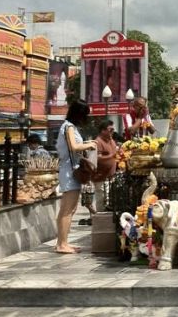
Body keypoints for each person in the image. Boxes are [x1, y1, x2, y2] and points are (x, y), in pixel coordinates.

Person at [55, 99, 96, 254]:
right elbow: (73, 146)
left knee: (68, 209)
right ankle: (62, 244)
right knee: (68, 209)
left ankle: (62, 242)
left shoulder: (68, 127)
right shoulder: (69, 127)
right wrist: (88, 145)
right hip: (70, 171)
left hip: (69, 169)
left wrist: (86, 142)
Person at [93, 119, 118, 212]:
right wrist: (112, 156)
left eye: (113, 129)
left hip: (111, 177)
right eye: (110, 129)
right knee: (102, 200)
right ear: (103, 130)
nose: (112, 131)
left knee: (108, 201)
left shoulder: (111, 140)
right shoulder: (98, 142)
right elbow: (97, 158)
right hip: (101, 178)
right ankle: (101, 220)